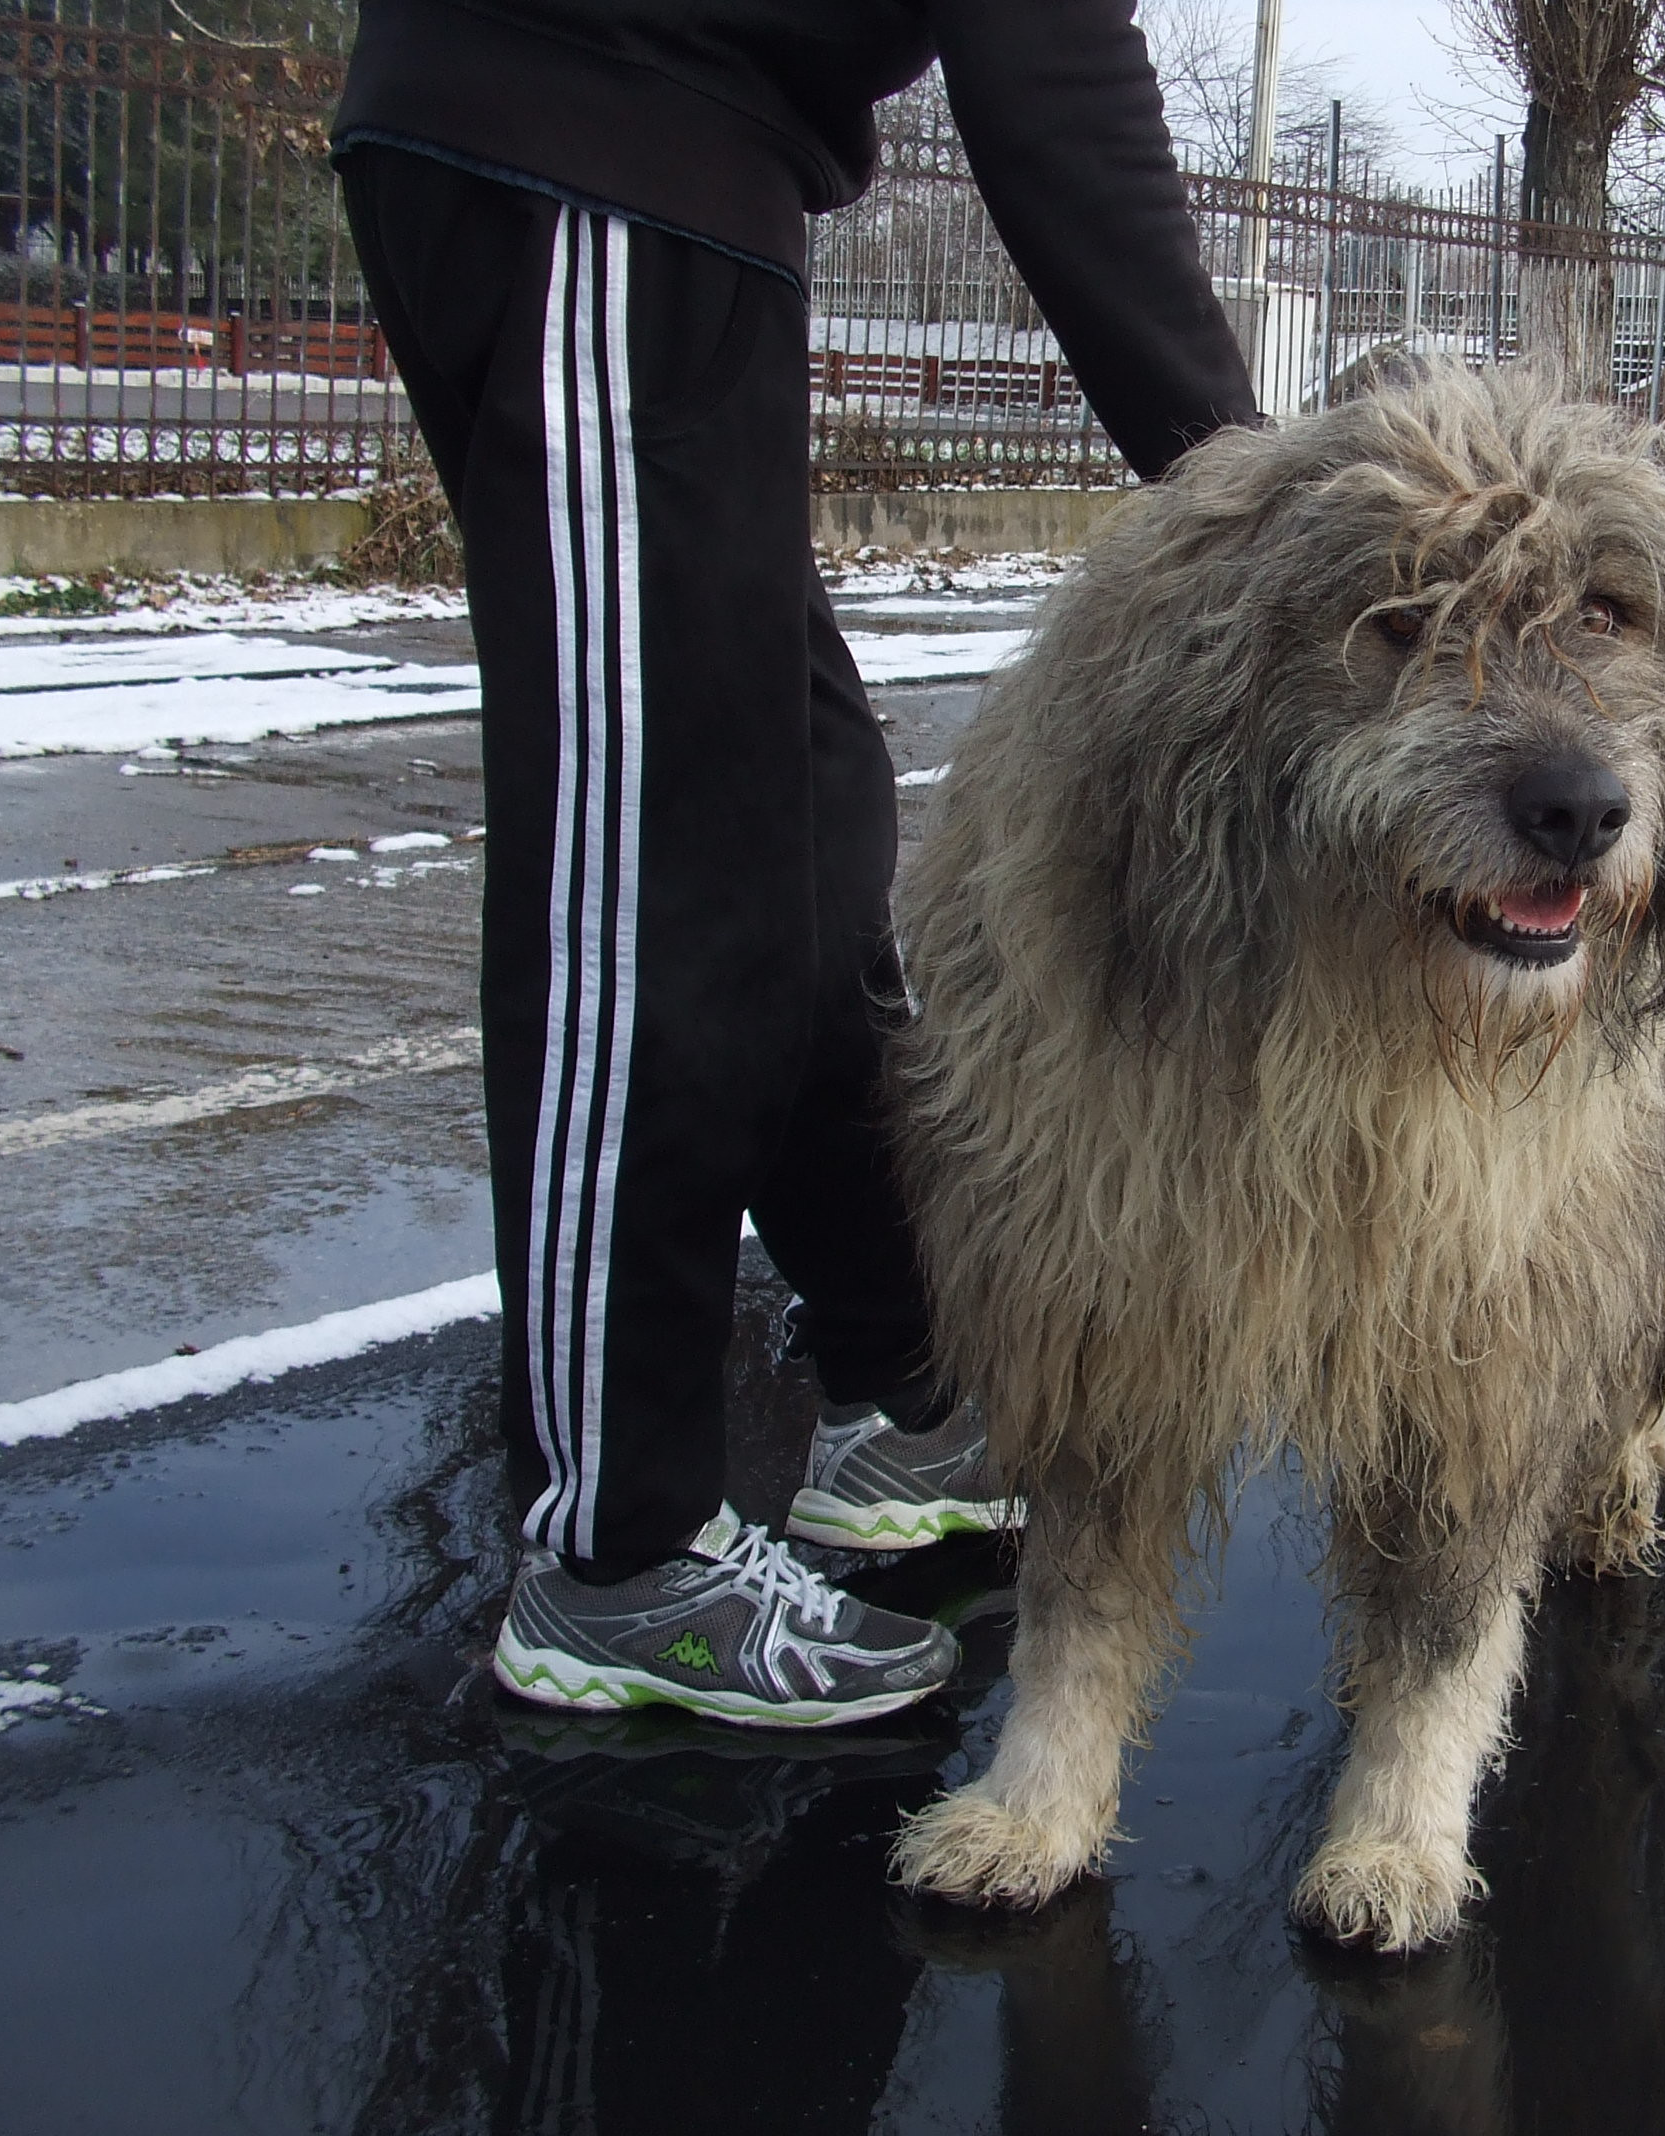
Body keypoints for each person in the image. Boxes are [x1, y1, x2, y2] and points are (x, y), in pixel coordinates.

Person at [331, 0, 1260, 1728]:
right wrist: (1250, 496)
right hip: (590, 139)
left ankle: (903, 1387)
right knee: (654, 866)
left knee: (808, 832)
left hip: (666, 166)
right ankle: (614, 1555)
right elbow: (1051, 68)